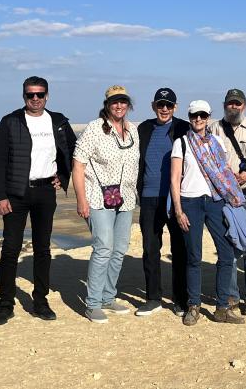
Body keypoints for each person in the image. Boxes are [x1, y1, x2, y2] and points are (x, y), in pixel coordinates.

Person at [0, 76, 77, 325]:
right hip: (16, 194)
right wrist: (0, 196)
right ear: (24, 96)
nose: (35, 99)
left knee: (43, 249)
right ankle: (5, 305)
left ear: (47, 95)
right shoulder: (11, 121)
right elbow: (0, 162)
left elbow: (73, 151)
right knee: (10, 249)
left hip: (45, 192)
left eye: (40, 94)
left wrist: (63, 176)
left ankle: (40, 301)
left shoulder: (58, 121)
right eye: (31, 95)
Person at [170, 100, 246, 326]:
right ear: (190, 116)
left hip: (215, 202)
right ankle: (193, 305)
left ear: (208, 117)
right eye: (194, 116)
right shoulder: (181, 143)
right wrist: (178, 209)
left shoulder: (217, 142)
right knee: (193, 257)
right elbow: (175, 178)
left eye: (202, 116)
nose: (198, 120)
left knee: (226, 254)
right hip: (190, 202)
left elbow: (224, 173)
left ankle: (222, 307)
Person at [73, 85, 140, 323]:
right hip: (98, 198)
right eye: (114, 102)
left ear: (128, 104)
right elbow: (78, 164)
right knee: (103, 248)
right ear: (107, 105)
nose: (119, 106)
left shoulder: (133, 130)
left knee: (119, 250)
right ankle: (92, 303)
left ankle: (108, 296)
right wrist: (81, 199)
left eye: (123, 101)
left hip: (126, 198)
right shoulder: (94, 129)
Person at [209, 88, 246, 316]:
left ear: (245, 105)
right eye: (231, 104)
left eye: (238, 104)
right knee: (229, 248)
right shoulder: (213, 129)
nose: (234, 107)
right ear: (224, 105)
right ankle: (231, 295)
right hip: (223, 196)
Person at [135, 87, 190, 316]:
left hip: (175, 198)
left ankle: (180, 299)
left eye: (168, 105)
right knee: (150, 249)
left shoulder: (184, 128)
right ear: (153, 106)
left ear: (175, 107)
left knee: (180, 249)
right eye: (160, 105)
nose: (164, 109)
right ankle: (153, 298)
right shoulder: (144, 128)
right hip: (148, 198)